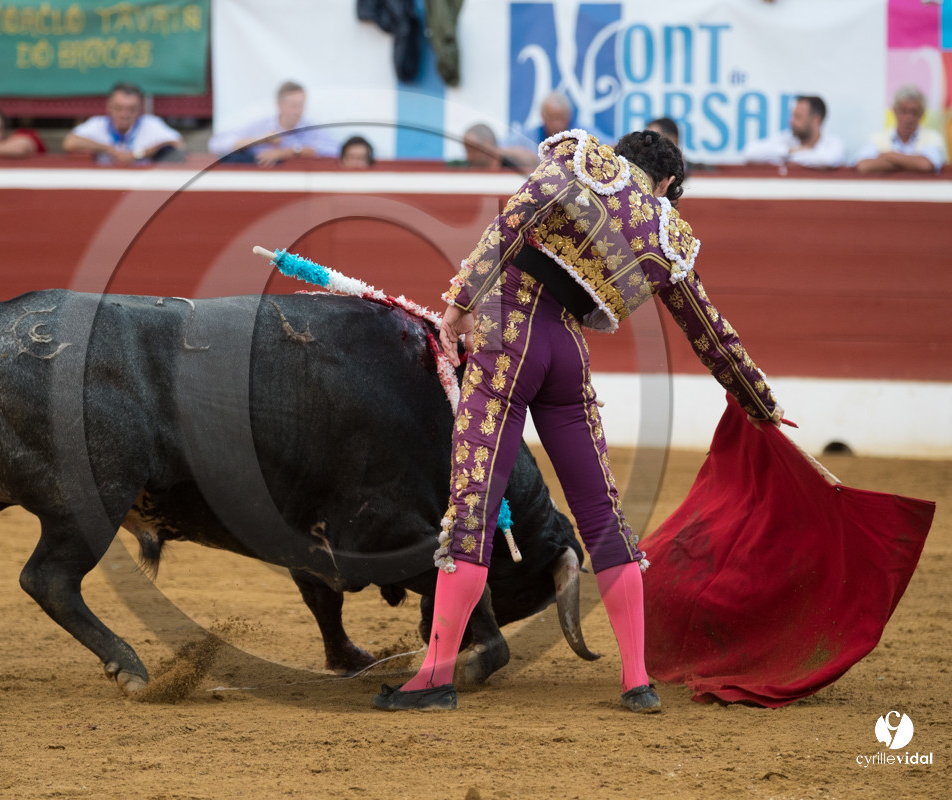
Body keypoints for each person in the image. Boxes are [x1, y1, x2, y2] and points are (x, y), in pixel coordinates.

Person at [371, 129, 783, 714]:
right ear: (667, 182)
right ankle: (637, 681)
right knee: (602, 516)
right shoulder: (666, 233)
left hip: (509, 336)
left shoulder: (581, 160)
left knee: (473, 510)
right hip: (567, 356)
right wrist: (761, 403)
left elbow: (514, 221)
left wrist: (462, 301)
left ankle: (434, 679)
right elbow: (711, 335)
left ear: (623, 154)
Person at [207, 81, 340, 166]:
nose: (298, 111)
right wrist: (259, 140)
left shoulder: (310, 128)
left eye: (301, 106)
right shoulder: (262, 125)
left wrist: (291, 151)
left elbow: (336, 150)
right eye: (294, 106)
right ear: (279, 105)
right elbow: (216, 144)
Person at [62, 82, 183, 166]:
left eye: (131, 109)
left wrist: (138, 154)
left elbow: (178, 143)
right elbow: (70, 142)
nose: (124, 114)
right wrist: (109, 149)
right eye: (118, 108)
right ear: (109, 107)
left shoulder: (150, 124)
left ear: (139, 109)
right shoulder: (98, 124)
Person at [853, 85, 947, 174]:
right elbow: (864, 165)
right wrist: (911, 164)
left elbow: (926, 165)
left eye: (914, 112)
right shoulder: (877, 138)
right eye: (904, 111)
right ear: (895, 111)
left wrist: (889, 156)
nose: (908, 118)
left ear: (921, 114)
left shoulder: (932, 137)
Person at [741, 95, 845, 168]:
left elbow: (827, 160)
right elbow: (749, 153)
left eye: (798, 117)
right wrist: (789, 151)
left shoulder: (834, 143)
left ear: (815, 120)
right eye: (792, 116)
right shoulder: (786, 140)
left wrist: (791, 157)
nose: (792, 121)